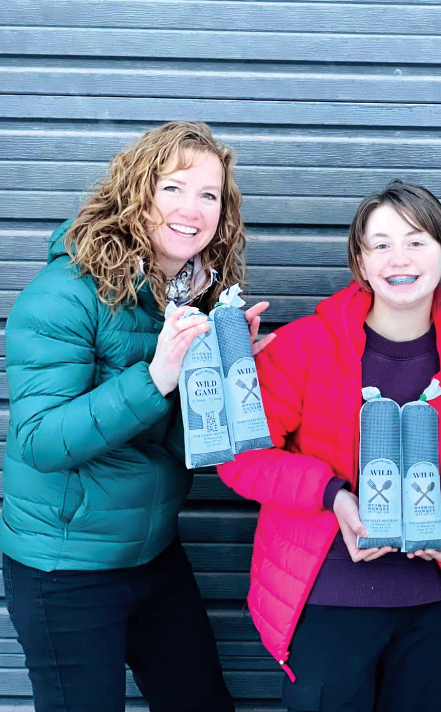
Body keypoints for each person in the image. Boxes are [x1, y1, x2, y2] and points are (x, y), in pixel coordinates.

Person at [2, 121, 270, 711]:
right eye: (173, 187)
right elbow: (40, 441)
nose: (192, 209)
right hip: (65, 566)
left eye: (209, 194)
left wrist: (225, 378)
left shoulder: (192, 296)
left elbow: (177, 446)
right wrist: (156, 376)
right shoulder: (64, 293)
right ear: (136, 192)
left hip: (152, 551)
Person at [216, 180, 441, 712]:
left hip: (432, 596)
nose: (400, 258)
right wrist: (333, 496)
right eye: (381, 244)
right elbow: (243, 458)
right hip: (326, 593)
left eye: (417, 241)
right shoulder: (303, 346)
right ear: (360, 262)